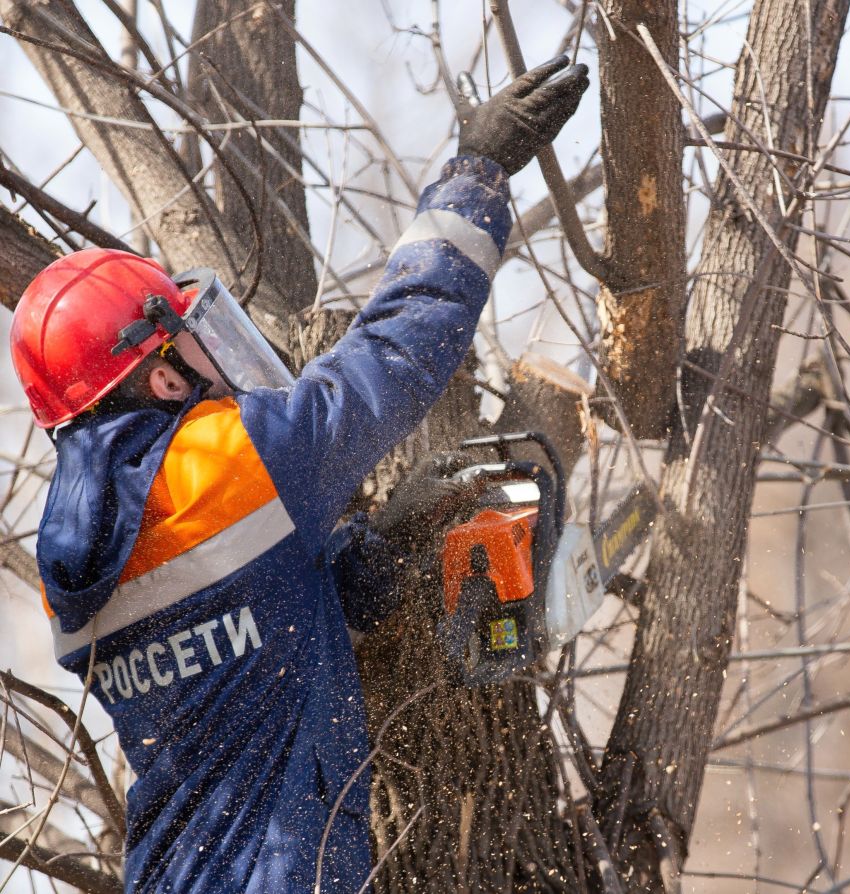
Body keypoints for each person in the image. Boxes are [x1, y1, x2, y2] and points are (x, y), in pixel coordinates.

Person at [9, 57, 588, 893]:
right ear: (161, 377)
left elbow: (243, 650)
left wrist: (378, 552)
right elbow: (399, 346)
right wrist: (478, 173)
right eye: (186, 342)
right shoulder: (226, 460)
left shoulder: (70, 568)